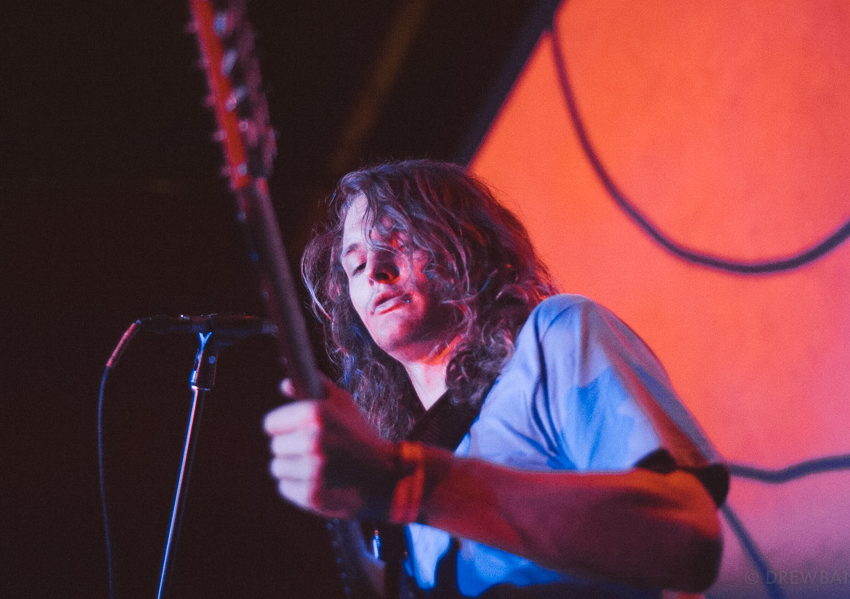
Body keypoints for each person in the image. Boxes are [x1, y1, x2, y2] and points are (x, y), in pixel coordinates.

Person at [263, 160, 728, 598]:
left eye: (398, 240)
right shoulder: (403, 483)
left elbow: (685, 535)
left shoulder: (555, 335)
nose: (377, 272)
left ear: (464, 241)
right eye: (357, 265)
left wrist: (410, 482)